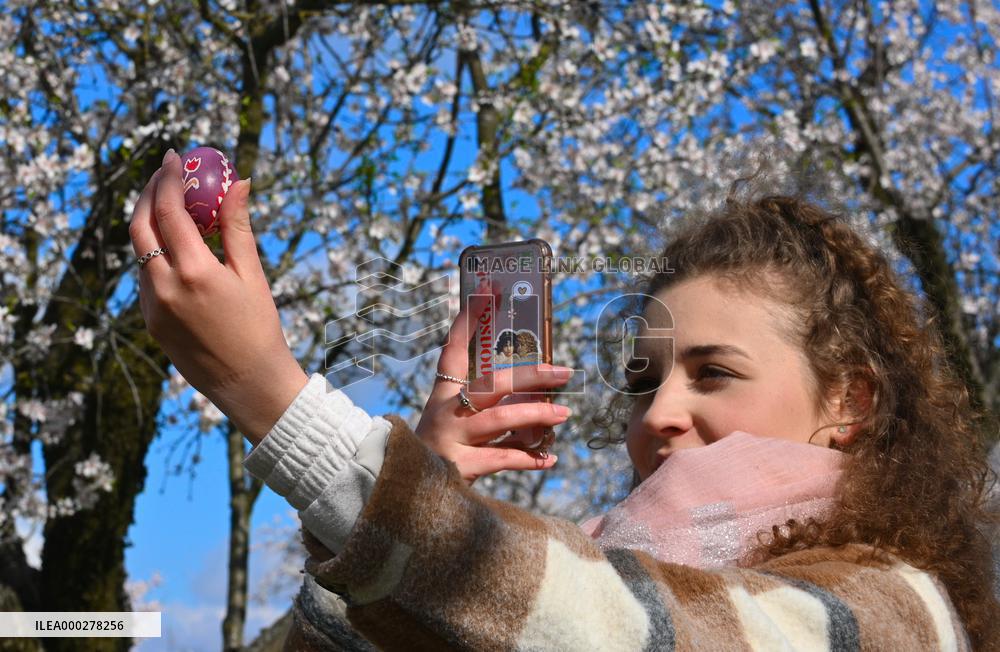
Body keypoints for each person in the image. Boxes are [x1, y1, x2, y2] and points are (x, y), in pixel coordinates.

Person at [130, 149, 999, 649]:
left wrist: (281, 404)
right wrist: (417, 488)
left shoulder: (899, 612)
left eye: (714, 373)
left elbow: (622, 632)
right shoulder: (586, 563)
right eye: (643, 382)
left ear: (848, 400)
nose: (657, 414)